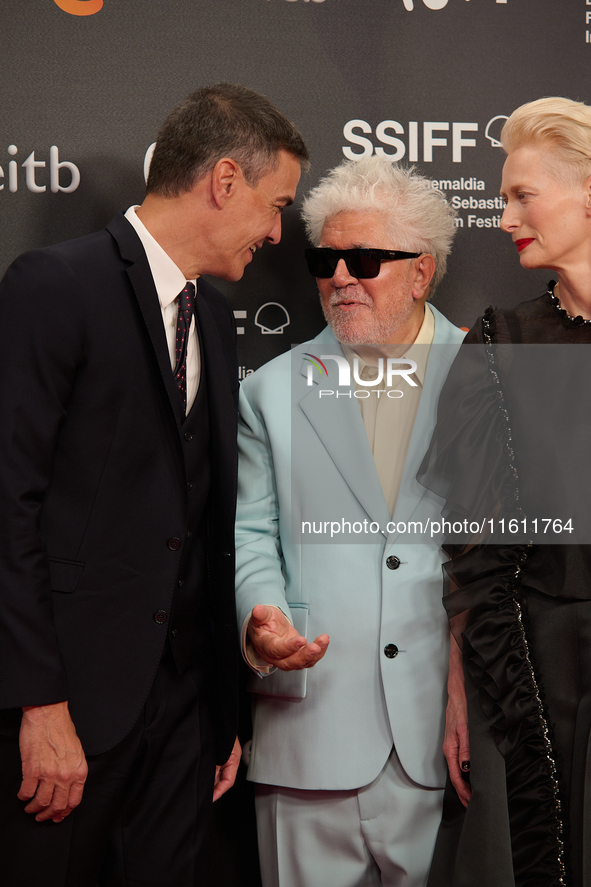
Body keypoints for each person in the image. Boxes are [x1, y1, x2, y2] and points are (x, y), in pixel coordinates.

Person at [0, 82, 308, 887]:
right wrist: (39, 704)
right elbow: (9, 504)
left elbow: (202, 517)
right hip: (70, 716)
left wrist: (220, 712)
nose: (277, 233)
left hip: (182, 721)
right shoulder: (54, 284)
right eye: (275, 205)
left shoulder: (208, 314)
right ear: (224, 182)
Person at [234, 156, 464, 887]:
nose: (339, 276)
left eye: (363, 259)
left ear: (420, 273)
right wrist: (259, 617)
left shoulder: (488, 376)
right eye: (324, 259)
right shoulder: (270, 391)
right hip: (308, 741)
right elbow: (251, 536)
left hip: (445, 744)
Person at [422, 97, 591, 887]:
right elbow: (473, 561)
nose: (502, 214)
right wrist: (460, 690)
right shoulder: (497, 342)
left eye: (522, 194)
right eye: (502, 194)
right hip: (536, 683)